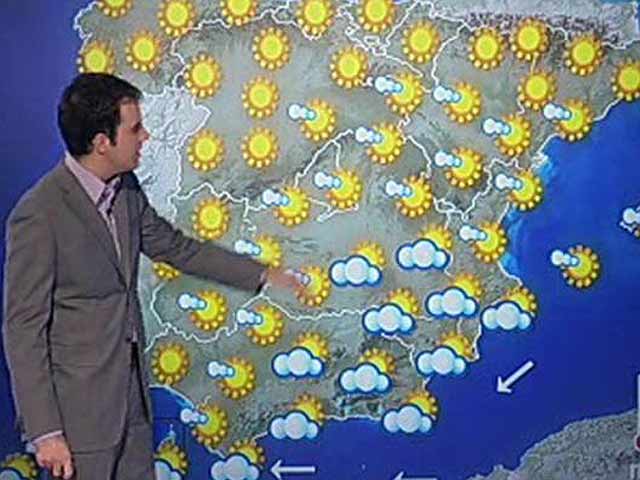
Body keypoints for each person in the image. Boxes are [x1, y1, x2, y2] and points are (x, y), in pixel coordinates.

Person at [2, 73, 300, 479]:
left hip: (132, 407)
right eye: (135, 129)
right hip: (78, 421)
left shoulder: (125, 190)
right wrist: (45, 432)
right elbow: (23, 329)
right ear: (102, 142)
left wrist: (262, 274)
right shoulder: (40, 214)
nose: (145, 137)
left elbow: (177, 248)